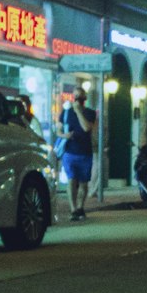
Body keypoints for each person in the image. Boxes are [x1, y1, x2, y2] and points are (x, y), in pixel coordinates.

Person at [60, 85, 96, 222]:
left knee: (83, 183)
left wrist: (78, 112)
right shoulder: (66, 112)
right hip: (69, 152)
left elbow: (87, 128)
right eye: (75, 97)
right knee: (71, 180)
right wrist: (64, 135)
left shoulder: (89, 113)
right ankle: (73, 208)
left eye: (80, 98)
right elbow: (58, 130)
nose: (77, 100)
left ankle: (81, 207)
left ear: (84, 99)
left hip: (85, 152)